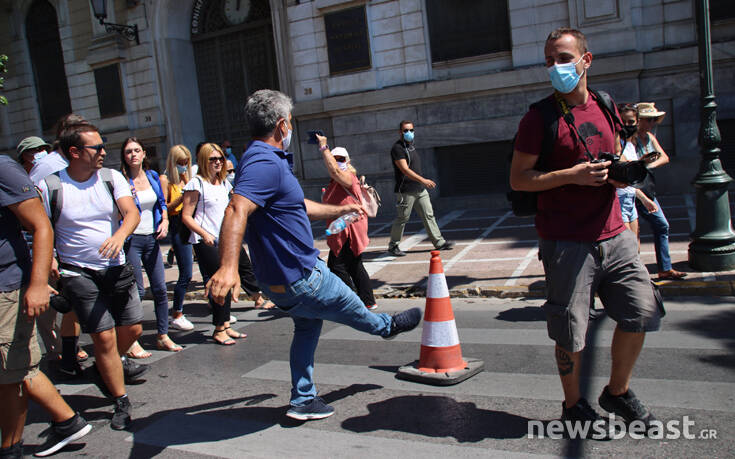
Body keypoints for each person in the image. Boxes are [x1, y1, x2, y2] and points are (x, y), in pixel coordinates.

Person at [206, 89, 422, 421]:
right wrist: (227, 268)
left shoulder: (260, 158)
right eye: (290, 122)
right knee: (356, 309)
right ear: (281, 125)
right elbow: (236, 209)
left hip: (277, 282)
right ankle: (386, 326)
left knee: (307, 327)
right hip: (303, 276)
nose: (290, 128)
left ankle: (303, 400)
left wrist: (340, 209)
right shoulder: (265, 161)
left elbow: (299, 206)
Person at [509, 28, 661, 435]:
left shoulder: (607, 106)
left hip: (615, 233)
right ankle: (574, 405)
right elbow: (520, 179)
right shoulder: (538, 118)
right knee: (571, 329)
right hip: (565, 241)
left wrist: (618, 176)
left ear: (585, 60)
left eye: (562, 58)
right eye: (549, 60)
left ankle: (617, 391)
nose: (555, 67)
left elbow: (609, 157)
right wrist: (571, 176)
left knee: (642, 311)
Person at [38, 122, 149, 430]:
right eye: (97, 148)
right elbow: (42, 228)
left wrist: (120, 235)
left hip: (116, 269)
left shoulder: (111, 178)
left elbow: (132, 213)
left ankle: (106, 365)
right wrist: (49, 262)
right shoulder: (51, 186)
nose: (104, 152)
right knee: (103, 336)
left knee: (134, 329)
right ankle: (120, 400)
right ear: (74, 152)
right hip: (77, 272)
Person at [0, 154, 92, 458]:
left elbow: (42, 226)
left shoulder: (3, 168)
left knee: (10, 371)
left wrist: (39, 284)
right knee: (15, 367)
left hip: (8, 287)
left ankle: (11, 448)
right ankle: (66, 421)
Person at [181, 143, 266, 345]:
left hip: (226, 239)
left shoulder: (223, 184)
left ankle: (226, 325)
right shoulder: (196, 184)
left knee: (233, 278)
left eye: (220, 158)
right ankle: (219, 328)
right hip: (207, 241)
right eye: (213, 159)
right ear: (203, 160)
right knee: (220, 283)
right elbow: (186, 216)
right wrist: (204, 233)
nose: (218, 162)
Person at [120, 137, 182, 353]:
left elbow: (162, 203)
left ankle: (163, 335)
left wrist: (164, 220)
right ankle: (131, 339)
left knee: (159, 289)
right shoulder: (121, 181)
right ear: (124, 156)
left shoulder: (153, 176)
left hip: (151, 238)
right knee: (136, 291)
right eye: (129, 152)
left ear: (144, 153)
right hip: (132, 240)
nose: (133, 155)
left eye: (137, 150)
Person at [317, 141, 377, 310]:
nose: (337, 161)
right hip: (342, 228)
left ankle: (351, 301)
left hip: (347, 229)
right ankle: (367, 300)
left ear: (348, 161)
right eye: (334, 158)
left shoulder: (348, 177)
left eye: (341, 159)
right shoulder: (335, 181)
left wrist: (324, 148)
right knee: (353, 264)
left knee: (337, 267)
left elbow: (335, 170)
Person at [633, 102, 687, 280]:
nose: (652, 123)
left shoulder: (649, 137)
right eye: (649, 120)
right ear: (638, 120)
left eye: (654, 120)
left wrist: (648, 165)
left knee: (661, 225)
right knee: (634, 235)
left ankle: (664, 268)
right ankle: (633, 274)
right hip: (635, 191)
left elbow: (664, 157)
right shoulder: (630, 139)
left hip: (647, 190)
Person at [387, 120, 454, 256]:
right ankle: (393, 246)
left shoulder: (411, 146)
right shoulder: (397, 148)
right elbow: (405, 170)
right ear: (400, 132)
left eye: (411, 130)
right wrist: (424, 180)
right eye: (406, 130)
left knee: (428, 215)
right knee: (402, 218)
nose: (409, 133)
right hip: (405, 190)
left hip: (419, 190)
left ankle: (439, 242)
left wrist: (421, 183)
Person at [160, 145, 195, 331]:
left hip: (192, 224)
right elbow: (164, 207)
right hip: (177, 225)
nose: (184, 166)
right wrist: (182, 197)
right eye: (180, 163)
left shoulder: (187, 178)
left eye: (186, 162)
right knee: (186, 273)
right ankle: (177, 312)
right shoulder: (166, 179)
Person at [616, 104, 643, 236]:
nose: (627, 125)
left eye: (631, 122)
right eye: (623, 122)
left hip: (630, 198)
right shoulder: (618, 144)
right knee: (628, 243)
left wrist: (644, 199)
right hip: (619, 198)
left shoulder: (632, 144)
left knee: (636, 241)